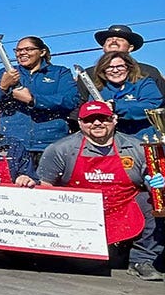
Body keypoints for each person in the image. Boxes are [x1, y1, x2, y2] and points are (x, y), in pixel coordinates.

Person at [38, 101, 165, 281]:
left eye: (103, 118)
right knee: (89, 266)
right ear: (80, 123)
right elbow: (44, 186)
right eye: (90, 120)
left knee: (154, 202)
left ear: (114, 120)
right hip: (79, 216)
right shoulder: (60, 149)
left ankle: (142, 261)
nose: (97, 123)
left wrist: (159, 184)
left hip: (124, 209)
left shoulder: (136, 147)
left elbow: (152, 182)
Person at [0, 36, 78, 157]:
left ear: (42, 52)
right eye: (18, 50)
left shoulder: (60, 73)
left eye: (28, 49)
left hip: (51, 144)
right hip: (11, 144)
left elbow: (71, 100)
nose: (22, 53)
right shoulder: (3, 74)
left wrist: (33, 100)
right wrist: (2, 86)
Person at [88, 51, 162, 138]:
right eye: (109, 67)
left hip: (144, 136)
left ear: (128, 67)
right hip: (113, 139)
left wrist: (116, 106)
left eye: (120, 66)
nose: (115, 70)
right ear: (103, 70)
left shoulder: (144, 83)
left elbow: (152, 106)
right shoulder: (98, 90)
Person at [94, 24, 164, 95]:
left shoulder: (148, 71)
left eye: (120, 39)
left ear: (130, 47)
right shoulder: (90, 74)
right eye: (109, 39)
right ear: (103, 47)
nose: (114, 41)